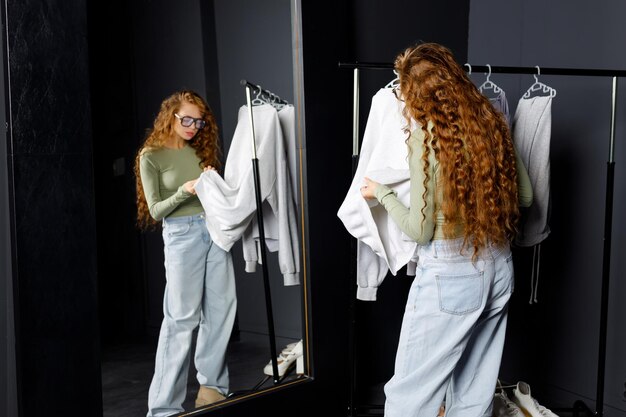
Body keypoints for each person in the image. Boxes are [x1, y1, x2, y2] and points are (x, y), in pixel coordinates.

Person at [360, 43, 533, 417]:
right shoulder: (492, 121)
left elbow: (420, 231)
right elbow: (527, 196)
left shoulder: (428, 137)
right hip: (500, 265)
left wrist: (383, 193)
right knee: (474, 395)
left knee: (410, 396)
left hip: (451, 274)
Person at [134, 90, 237, 417]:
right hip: (181, 236)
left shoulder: (196, 150)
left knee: (220, 311)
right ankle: (162, 407)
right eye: (187, 119)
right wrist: (185, 189)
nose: (194, 126)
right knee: (181, 320)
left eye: (199, 121)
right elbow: (155, 211)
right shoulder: (150, 156)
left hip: (213, 228)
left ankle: (213, 390)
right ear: (171, 116)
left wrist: (212, 182)